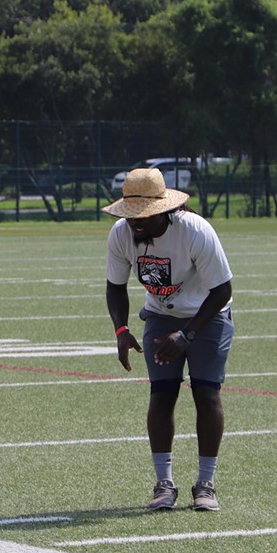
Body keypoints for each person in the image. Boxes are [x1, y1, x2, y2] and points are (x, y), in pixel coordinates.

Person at [103, 167, 234, 512]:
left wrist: (188, 334)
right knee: (162, 394)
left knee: (206, 393)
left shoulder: (195, 231)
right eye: (131, 216)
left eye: (143, 216)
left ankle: (206, 484)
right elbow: (115, 287)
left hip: (207, 315)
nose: (135, 223)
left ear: (163, 209)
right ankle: (164, 483)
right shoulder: (120, 234)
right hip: (160, 316)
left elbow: (222, 290)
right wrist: (121, 330)